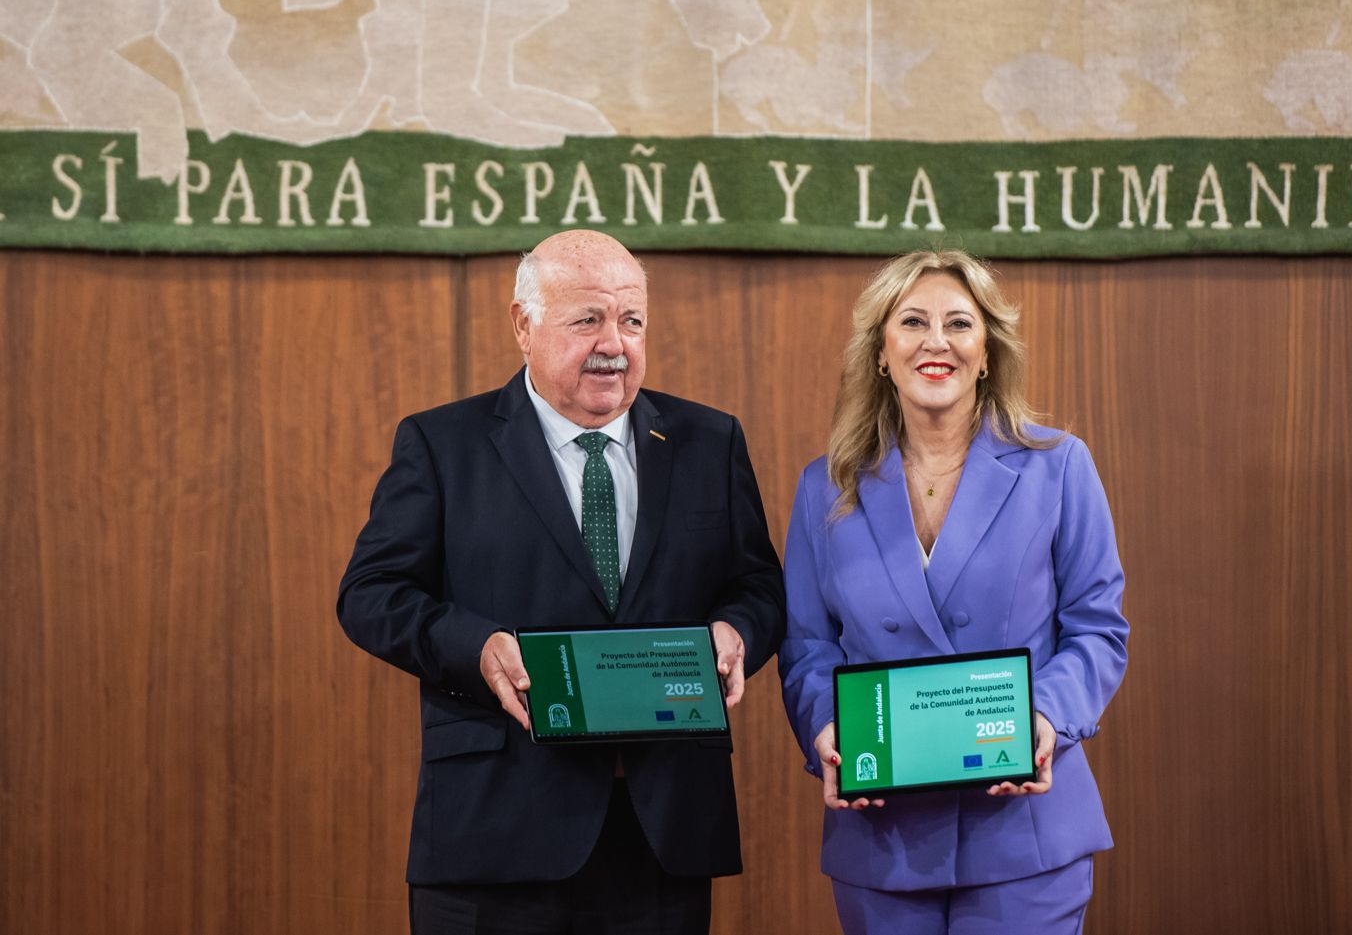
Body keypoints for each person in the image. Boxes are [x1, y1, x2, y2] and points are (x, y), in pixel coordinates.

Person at [338, 229, 785, 935]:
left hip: (660, 834)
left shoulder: (709, 441)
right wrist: (476, 645)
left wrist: (736, 632)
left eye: (631, 320)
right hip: (496, 833)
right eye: (588, 319)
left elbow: (758, 585)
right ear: (524, 323)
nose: (615, 342)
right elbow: (370, 593)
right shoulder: (442, 444)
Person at [779, 250, 1128, 935]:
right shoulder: (824, 486)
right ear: (881, 351)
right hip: (882, 840)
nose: (935, 341)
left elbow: (1098, 631)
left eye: (959, 323)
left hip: (1025, 833)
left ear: (988, 351)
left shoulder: (1059, 466)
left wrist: (1047, 717)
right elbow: (806, 646)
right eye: (912, 321)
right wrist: (826, 726)